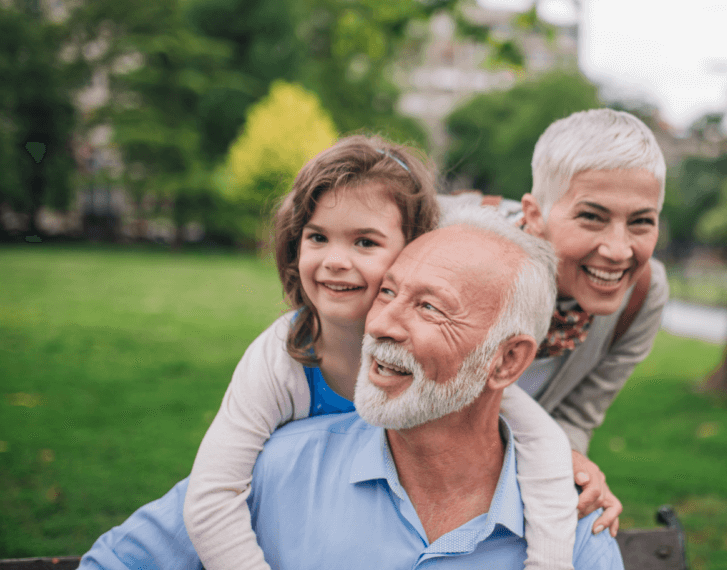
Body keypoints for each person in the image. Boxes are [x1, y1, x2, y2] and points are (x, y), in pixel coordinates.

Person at [78, 209, 623, 570]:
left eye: (430, 307)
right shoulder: (277, 470)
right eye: (386, 292)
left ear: (507, 361)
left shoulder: (575, 531)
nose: (382, 323)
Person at [180, 136, 577, 570]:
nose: (335, 260)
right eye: (317, 237)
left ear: (415, 247)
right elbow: (213, 494)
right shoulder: (282, 356)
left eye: (364, 242)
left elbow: (542, 442)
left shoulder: (453, 366)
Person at [443, 108, 669, 537]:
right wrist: (548, 451)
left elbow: (576, 415)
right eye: (592, 217)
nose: (619, 250)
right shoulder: (453, 245)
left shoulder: (643, 296)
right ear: (533, 215)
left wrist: (572, 471)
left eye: (641, 221)